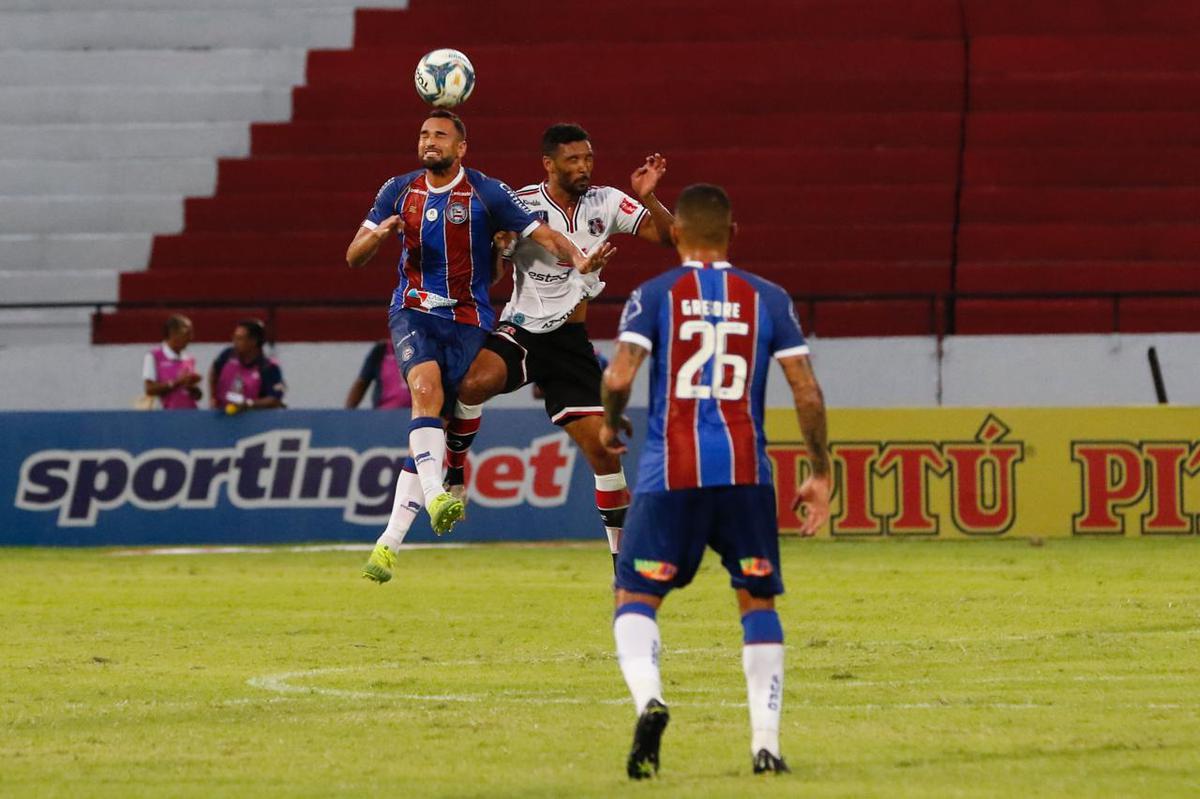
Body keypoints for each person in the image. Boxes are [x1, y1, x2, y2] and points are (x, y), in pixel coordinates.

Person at [598, 184, 832, 779]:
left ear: (675, 233)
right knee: (756, 598)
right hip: (746, 474)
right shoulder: (769, 298)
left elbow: (620, 376)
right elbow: (806, 391)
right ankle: (766, 746)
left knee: (635, 595)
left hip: (670, 473)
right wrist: (820, 471)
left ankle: (650, 699)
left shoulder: (654, 294)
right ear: (734, 233)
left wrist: (609, 421)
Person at [348, 110, 612, 582]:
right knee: (425, 389)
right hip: (413, 310)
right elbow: (354, 256)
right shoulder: (398, 190)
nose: (430, 142)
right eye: (424, 134)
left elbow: (544, 235)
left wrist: (578, 257)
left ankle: (390, 540)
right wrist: (378, 237)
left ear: (461, 148)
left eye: (440, 135)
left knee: (442, 412)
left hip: (468, 319)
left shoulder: (489, 193)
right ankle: (436, 496)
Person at [442, 123, 676, 571]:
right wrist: (500, 248)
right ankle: (454, 473)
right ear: (549, 164)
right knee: (473, 384)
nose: (584, 167)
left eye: (588, 158)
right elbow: (492, 274)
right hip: (523, 330)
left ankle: (624, 567)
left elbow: (671, 237)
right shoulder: (520, 204)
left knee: (603, 453)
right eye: (573, 160)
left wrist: (648, 198)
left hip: (570, 343)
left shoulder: (607, 202)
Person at [208, 319, 286, 412]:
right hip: (222, 415)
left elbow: (274, 399)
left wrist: (248, 404)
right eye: (234, 337)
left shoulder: (268, 367)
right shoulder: (228, 355)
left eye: (239, 338)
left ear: (253, 341)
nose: (234, 342)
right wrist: (213, 397)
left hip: (253, 417)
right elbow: (214, 371)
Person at [142, 314, 202, 409]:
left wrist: (192, 388)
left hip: (191, 413)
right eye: (187, 333)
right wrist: (177, 383)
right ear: (173, 333)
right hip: (168, 414)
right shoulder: (154, 356)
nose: (191, 338)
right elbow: (149, 389)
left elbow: (197, 396)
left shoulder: (189, 359)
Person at [345, 339, 412, 410]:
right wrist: (347, 413)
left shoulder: (419, 349)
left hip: (416, 412)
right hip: (385, 412)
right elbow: (361, 383)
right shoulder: (381, 351)